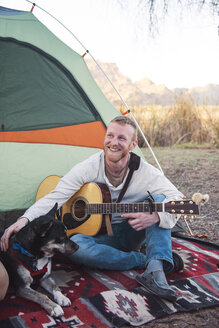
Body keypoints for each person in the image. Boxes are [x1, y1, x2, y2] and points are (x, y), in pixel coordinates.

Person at [0, 115, 183, 302]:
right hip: (101, 237)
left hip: (131, 231)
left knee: (160, 200)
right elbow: (55, 196)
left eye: (122, 138)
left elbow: (179, 200)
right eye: (110, 135)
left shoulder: (146, 172)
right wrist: (24, 219)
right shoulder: (89, 167)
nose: (114, 142)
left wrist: (156, 217)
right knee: (77, 248)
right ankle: (148, 259)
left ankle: (155, 271)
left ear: (133, 145)